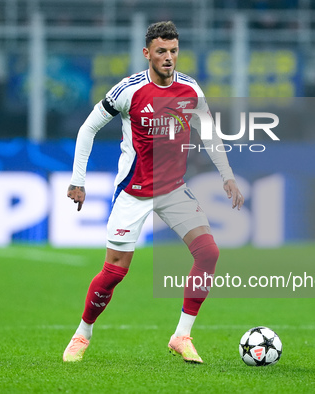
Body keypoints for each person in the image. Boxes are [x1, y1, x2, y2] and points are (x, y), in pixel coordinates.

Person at [62, 21, 243, 364]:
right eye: (161, 51)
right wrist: (78, 181)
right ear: (147, 53)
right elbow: (88, 128)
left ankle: (182, 335)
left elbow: (209, 133)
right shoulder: (128, 91)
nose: (169, 57)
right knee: (114, 272)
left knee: (208, 253)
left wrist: (227, 176)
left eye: (173, 51)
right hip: (134, 191)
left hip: (174, 189)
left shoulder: (190, 90)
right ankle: (82, 334)